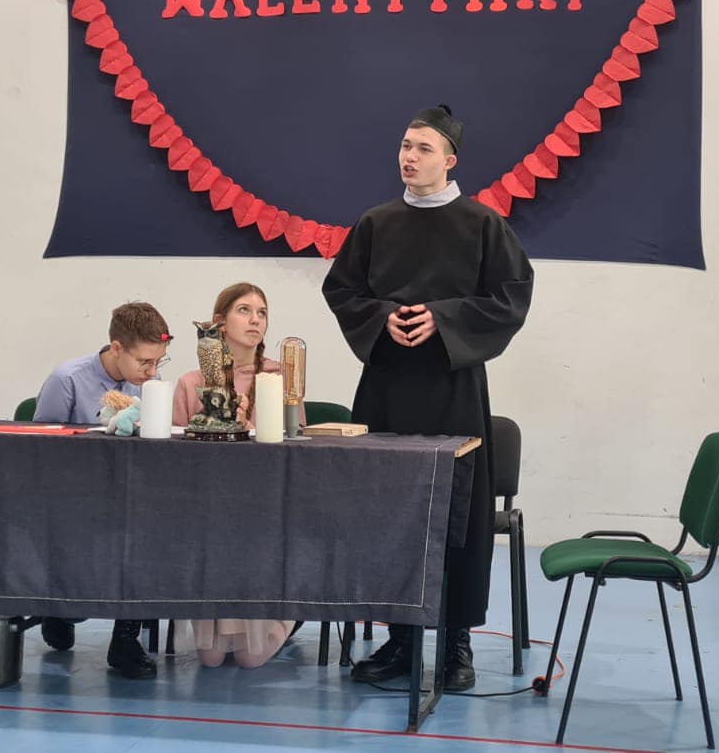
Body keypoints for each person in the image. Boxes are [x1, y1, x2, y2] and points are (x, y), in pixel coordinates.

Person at [321, 104, 534, 690]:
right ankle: (399, 639)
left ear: (450, 160)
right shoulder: (375, 223)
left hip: (452, 388)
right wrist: (382, 318)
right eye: (405, 146)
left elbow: (512, 296)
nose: (409, 157)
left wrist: (443, 319)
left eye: (423, 149)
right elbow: (342, 290)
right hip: (386, 387)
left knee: (457, 514)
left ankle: (456, 645)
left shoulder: (483, 225)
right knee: (387, 512)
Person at [32, 301, 173, 679]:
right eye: (144, 362)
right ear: (116, 348)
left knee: (153, 534)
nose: (153, 372)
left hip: (129, 496)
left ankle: (125, 638)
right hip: (73, 498)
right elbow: (39, 449)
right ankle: (59, 609)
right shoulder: (67, 380)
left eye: (158, 362)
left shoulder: (149, 385)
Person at [169, 283, 297, 668]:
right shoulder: (191, 382)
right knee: (209, 657)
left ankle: (289, 613)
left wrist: (246, 426)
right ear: (220, 322)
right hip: (206, 511)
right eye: (244, 310)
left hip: (261, 509)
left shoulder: (278, 377)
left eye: (262, 312)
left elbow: (294, 447)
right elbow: (173, 455)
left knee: (250, 658)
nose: (255, 319)